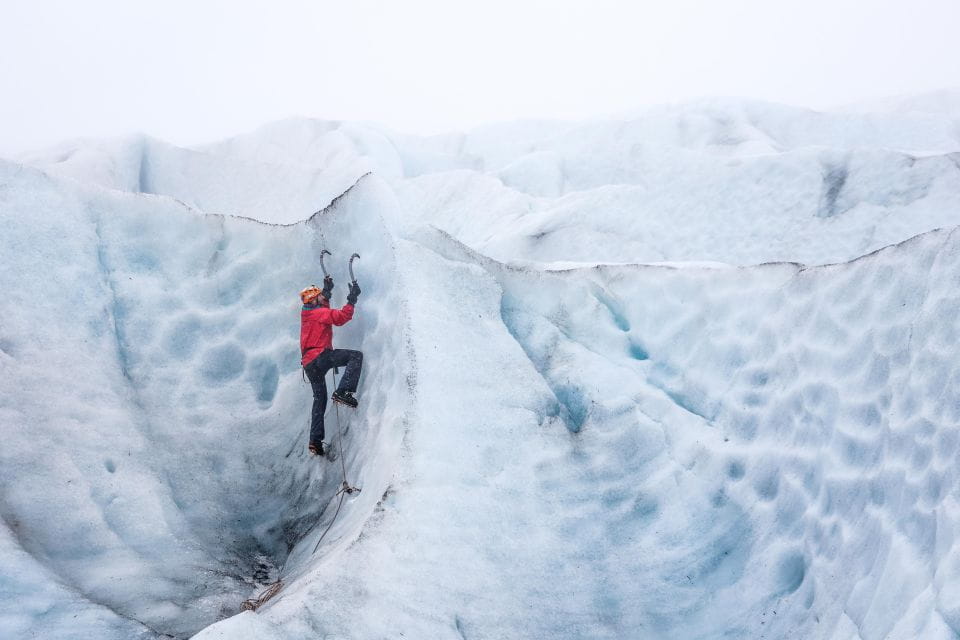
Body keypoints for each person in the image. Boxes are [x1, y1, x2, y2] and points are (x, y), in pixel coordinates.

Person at [300, 276, 363, 456]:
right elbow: (341, 317)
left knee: (319, 401)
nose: (321, 296)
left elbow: (322, 310)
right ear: (314, 299)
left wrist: (326, 291)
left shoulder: (307, 313)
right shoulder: (318, 313)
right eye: (319, 295)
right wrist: (352, 299)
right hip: (320, 357)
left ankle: (315, 441)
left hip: (309, 365)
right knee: (355, 356)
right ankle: (343, 391)